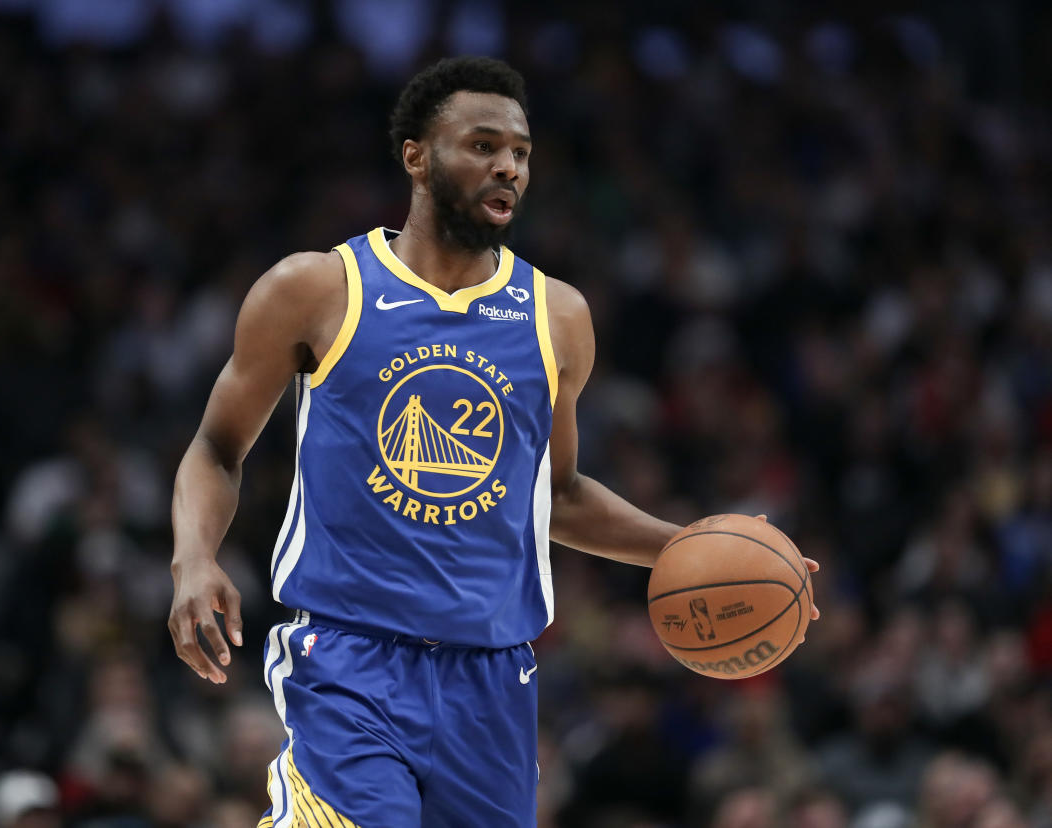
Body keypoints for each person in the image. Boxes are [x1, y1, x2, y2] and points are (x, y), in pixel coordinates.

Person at [167, 56, 819, 827]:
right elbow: (216, 448)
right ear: (416, 155)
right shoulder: (316, 288)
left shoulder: (557, 316)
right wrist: (194, 559)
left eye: (520, 152)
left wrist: (700, 551)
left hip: (493, 678)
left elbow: (560, 495)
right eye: (482, 145)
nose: (507, 165)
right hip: (349, 660)